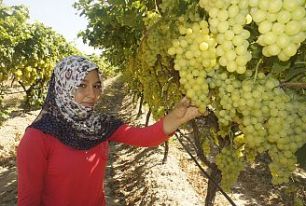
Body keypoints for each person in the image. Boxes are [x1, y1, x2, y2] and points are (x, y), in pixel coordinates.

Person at [16, 55, 202, 206]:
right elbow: (28, 200)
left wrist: (176, 118)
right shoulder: (38, 137)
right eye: (82, 85)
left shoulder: (99, 125)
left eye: (97, 86)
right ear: (63, 87)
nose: (93, 94)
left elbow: (144, 137)